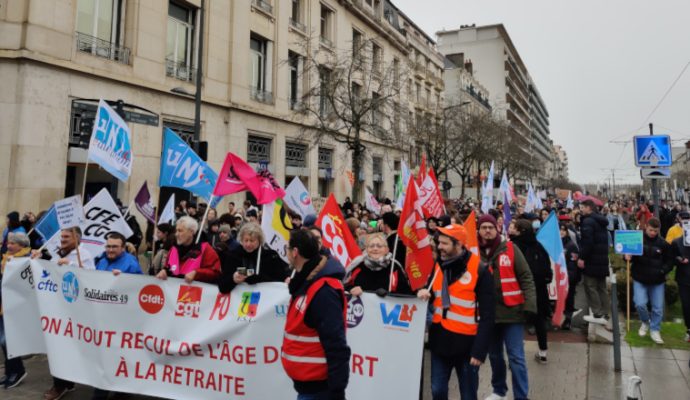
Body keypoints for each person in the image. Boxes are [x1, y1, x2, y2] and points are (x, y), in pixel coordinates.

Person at [417, 224, 494, 400]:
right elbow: (432, 292)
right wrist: (424, 293)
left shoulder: (480, 270)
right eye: (439, 243)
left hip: (467, 345)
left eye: (444, 243)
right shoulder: (438, 264)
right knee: (437, 391)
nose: (439, 247)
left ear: (458, 244)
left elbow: (488, 315)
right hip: (439, 341)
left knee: (468, 394)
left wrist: (479, 351)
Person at [281, 229, 350, 400]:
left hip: (320, 391)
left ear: (295, 252)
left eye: (287, 248)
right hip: (308, 388)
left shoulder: (323, 291)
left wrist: (336, 393)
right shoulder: (305, 283)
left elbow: (336, 345)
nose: (286, 253)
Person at [478, 214, 536, 400]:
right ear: (478, 230)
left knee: (516, 357)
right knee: (494, 356)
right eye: (483, 227)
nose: (487, 230)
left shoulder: (510, 248)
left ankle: (521, 396)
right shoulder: (474, 252)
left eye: (491, 227)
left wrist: (530, 305)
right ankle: (499, 391)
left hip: (512, 312)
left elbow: (526, 277)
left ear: (497, 229)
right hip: (488, 314)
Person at [509, 219, 552, 364]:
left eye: (513, 227)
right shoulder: (538, 246)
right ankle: (543, 352)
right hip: (539, 291)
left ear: (520, 231)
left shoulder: (513, 247)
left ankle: (515, 357)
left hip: (519, 291)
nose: (510, 229)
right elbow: (547, 270)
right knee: (539, 321)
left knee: (516, 324)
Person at [625, 218, 672, 344]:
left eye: (655, 231)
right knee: (639, 304)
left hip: (657, 281)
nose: (653, 233)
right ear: (646, 227)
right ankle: (645, 322)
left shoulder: (663, 244)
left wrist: (662, 271)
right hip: (640, 278)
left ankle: (655, 330)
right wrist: (627, 257)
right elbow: (629, 256)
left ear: (659, 230)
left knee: (657, 308)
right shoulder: (637, 239)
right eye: (651, 230)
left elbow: (670, 261)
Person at [217, 222, 289, 294]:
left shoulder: (270, 256)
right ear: (241, 240)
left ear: (259, 241)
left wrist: (259, 278)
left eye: (252, 241)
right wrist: (233, 279)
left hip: (266, 300)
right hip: (240, 302)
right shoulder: (233, 255)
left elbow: (281, 280)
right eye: (246, 240)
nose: (248, 244)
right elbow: (222, 286)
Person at [1, 232, 30, 389]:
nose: (9, 245)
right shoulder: (6, 258)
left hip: (14, 306)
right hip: (2, 304)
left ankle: (18, 371)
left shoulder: (27, 259)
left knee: (8, 341)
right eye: (9, 243)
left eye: (13, 243)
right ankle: (9, 371)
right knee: (3, 341)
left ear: (22, 246)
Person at [155, 216, 220, 284]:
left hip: (195, 292)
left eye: (180, 231)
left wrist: (197, 273)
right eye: (176, 231)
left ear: (191, 232)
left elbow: (215, 273)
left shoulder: (205, 249)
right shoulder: (173, 248)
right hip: (173, 291)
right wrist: (165, 271)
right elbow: (168, 267)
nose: (176, 234)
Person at [344, 233, 412, 296]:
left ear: (386, 250)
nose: (375, 249)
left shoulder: (394, 266)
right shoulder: (358, 265)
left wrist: (389, 294)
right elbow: (344, 286)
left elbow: (406, 291)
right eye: (371, 246)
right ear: (367, 249)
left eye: (379, 246)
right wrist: (351, 289)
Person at [578, 199, 611, 325]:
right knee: (601, 287)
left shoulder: (588, 222)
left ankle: (597, 313)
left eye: (583, 207)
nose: (581, 209)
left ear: (589, 208)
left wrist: (582, 257)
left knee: (590, 286)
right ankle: (606, 313)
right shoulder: (600, 220)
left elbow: (588, 243)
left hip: (592, 259)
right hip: (601, 259)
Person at [671, 227, 690, 342]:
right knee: (686, 306)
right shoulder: (677, 242)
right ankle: (689, 329)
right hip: (684, 279)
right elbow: (672, 258)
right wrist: (679, 259)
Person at [560, 222, 581, 330]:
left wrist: (570, 279)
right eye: (560, 229)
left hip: (568, 278)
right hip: (557, 278)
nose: (561, 232)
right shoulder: (555, 244)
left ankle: (568, 320)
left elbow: (573, 265)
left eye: (564, 230)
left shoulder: (571, 246)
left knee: (568, 300)